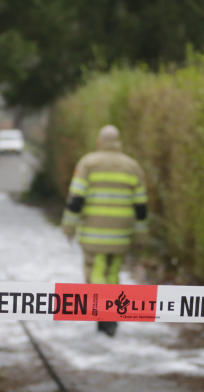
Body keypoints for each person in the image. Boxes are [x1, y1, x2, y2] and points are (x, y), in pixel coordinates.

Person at [61, 125, 148, 337]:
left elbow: (76, 199)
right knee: (114, 273)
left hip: (94, 234)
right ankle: (111, 317)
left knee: (96, 273)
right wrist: (141, 233)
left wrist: (69, 226)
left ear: (100, 142)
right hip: (121, 235)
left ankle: (105, 317)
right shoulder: (132, 166)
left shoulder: (88, 163)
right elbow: (141, 205)